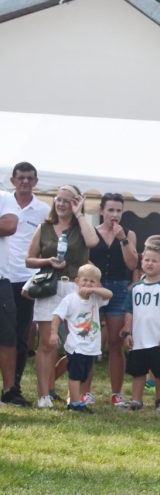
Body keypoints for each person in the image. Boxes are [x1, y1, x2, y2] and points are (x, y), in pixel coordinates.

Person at [25, 185, 100, 408]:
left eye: (67, 201)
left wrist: (79, 214)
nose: (61, 204)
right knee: (48, 343)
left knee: (78, 344)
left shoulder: (81, 227)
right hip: (49, 287)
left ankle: (75, 396)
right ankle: (43, 395)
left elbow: (93, 242)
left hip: (75, 288)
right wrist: (47, 261)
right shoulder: (44, 227)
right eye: (58, 199)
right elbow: (29, 259)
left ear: (76, 203)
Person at [3, 162, 48, 406]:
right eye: (21, 178)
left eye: (30, 178)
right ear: (12, 180)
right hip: (2, 275)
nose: (25, 182)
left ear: (36, 181)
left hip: (25, 279)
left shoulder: (43, 210)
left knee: (20, 337)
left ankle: (13, 387)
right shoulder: (3, 203)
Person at [89, 192, 139, 406]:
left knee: (116, 343)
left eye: (118, 210)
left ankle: (116, 393)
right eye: (110, 210)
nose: (114, 214)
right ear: (102, 211)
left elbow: (132, 264)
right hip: (95, 288)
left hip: (119, 288)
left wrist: (123, 240)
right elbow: (86, 261)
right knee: (89, 341)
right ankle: (85, 391)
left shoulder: (128, 234)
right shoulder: (92, 233)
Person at [121, 243, 160, 413]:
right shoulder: (135, 288)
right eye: (146, 260)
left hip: (158, 340)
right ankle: (136, 400)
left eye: (154, 261)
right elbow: (129, 312)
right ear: (141, 262)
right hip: (139, 340)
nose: (150, 263)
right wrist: (128, 332)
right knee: (138, 372)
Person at [49, 263, 111, 413]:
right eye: (85, 280)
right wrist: (53, 333)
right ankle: (75, 403)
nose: (88, 284)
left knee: (84, 375)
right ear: (77, 281)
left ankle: (78, 399)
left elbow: (109, 294)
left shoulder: (96, 298)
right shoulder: (70, 299)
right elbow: (57, 316)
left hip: (91, 346)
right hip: (76, 345)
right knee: (75, 375)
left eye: (92, 281)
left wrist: (94, 289)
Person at [0, 187, 20, 404]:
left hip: (1, 279)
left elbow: (9, 225)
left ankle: (8, 390)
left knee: (6, 337)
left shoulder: (4, 197)